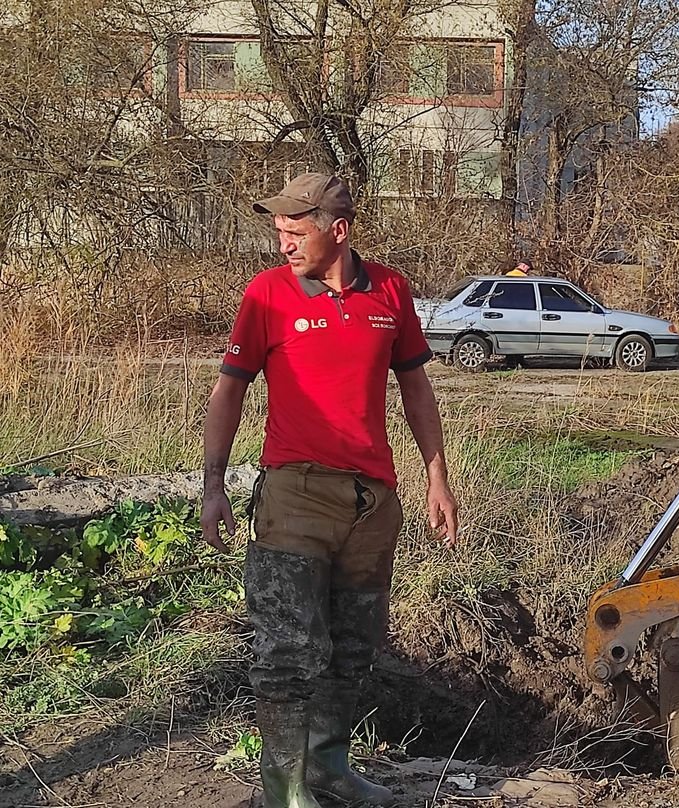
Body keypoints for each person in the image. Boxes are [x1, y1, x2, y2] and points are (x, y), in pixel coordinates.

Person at [200, 172, 459, 808]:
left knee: (354, 642)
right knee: (288, 647)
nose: (283, 244)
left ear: (337, 232)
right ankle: (283, 790)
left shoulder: (390, 290)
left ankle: (326, 769)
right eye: (279, 232)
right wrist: (212, 484)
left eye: (296, 232)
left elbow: (416, 391)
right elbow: (229, 389)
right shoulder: (266, 294)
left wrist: (437, 477)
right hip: (295, 493)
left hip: (373, 499)